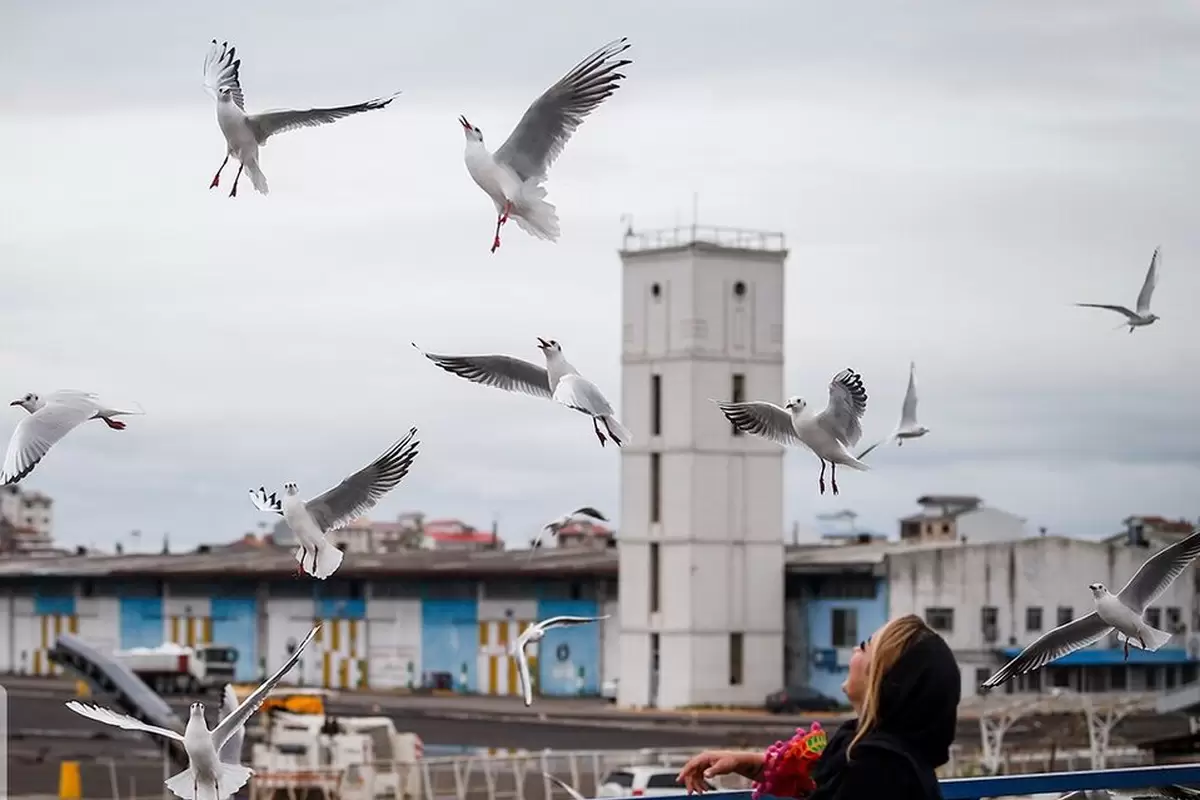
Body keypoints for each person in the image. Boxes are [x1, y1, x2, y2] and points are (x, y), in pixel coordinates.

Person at [677, 614, 960, 800]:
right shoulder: (875, 752)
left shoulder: (880, 767)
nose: (854, 651)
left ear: (882, 677)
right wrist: (746, 763)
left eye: (864, 646)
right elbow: (820, 780)